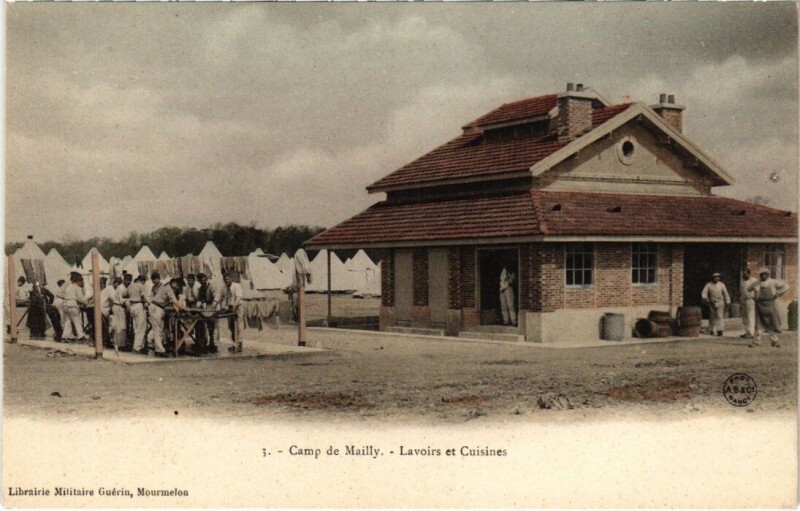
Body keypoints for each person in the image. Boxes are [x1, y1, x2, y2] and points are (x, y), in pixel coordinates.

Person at [748, 268, 789, 348]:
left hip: (770, 305)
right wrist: (753, 297)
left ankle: (774, 342)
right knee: (758, 325)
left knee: (772, 324)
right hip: (759, 306)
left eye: (764, 274)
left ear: (767, 275)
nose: (762, 276)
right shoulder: (756, 283)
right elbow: (747, 289)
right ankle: (756, 342)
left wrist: (777, 293)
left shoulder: (773, 282)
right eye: (761, 274)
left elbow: (786, 287)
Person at [147, 272, 185, 357]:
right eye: (177, 284)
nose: (177, 287)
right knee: (157, 330)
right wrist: (183, 308)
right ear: (173, 282)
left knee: (158, 329)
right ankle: (159, 350)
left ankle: (158, 348)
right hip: (156, 307)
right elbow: (174, 300)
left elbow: (173, 302)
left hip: (157, 307)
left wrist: (178, 309)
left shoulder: (168, 288)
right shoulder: (168, 288)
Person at [213, 272, 243, 353]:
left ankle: (239, 345)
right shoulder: (223, 287)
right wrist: (213, 305)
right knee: (231, 327)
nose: (227, 281)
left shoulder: (236, 286)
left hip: (237, 307)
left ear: (231, 279)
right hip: (229, 308)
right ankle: (234, 344)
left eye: (228, 279)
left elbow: (239, 298)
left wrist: (234, 307)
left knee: (238, 327)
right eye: (225, 280)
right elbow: (218, 297)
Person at [62, 273, 89, 344]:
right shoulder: (77, 288)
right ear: (78, 281)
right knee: (77, 321)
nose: (81, 283)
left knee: (68, 321)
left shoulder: (68, 287)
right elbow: (80, 299)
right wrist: (86, 302)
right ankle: (81, 337)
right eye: (81, 282)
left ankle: (65, 337)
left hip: (66, 305)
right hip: (73, 306)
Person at [701, 272, 730, 337]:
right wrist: (707, 300)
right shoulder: (709, 285)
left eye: (718, 277)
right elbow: (704, 293)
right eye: (715, 277)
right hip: (712, 302)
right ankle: (712, 330)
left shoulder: (722, 285)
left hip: (720, 302)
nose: (716, 278)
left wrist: (727, 301)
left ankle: (720, 330)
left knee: (720, 316)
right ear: (712, 278)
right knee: (712, 317)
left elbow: (725, 293)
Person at [194, 273, 216, 355]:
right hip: (204, 309)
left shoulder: (211, 287)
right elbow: (199, 299)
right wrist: (199, 306)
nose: (203, 282)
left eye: (204, 280)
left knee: (212, 327)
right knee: (202, 326)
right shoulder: (200, 289)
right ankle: (203, 344)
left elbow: (215, 297)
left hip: (211, 308)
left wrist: (212, 306)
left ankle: (212, 344)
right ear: (199, 281)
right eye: (201, 281)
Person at [126, 274, 148, 354]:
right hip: (138, 305)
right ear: (143, 281)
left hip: (132, 306)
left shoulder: (130, 286)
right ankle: (137, 348)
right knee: (141, 328)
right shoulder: (141, 286)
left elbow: (124, 295)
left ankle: (139, 346)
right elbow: (143, 297)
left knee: (135, 327)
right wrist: (148, 303)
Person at [739, 268, 759, 340]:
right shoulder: (742, 281)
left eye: (745, 274)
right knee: (744, 317)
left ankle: (751, 333)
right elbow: (741, 291)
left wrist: (756, 299)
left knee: (750, 316)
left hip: (751, 300)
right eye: (743, 274)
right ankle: (747, 332)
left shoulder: (754, 281)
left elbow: (757, 291)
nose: (743, 275)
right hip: (744, 300)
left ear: (749, 274)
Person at [114, 275, 131, 350]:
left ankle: (120, 343)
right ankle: (121, 345)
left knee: (120, 326)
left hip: (120, 307)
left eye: (129, 280)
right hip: (119, 307)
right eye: (127, 280)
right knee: (121, 326)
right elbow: (122, 301)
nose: (128, 282)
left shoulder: (126, 287)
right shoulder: (121, 288)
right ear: (124, 280)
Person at [99, 277, 116, 348]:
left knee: (105, 327)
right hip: (103, 309)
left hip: (104, 309)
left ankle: (106, 342)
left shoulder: (106, 290)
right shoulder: (109, 289)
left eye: (103, 283)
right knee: (107, 327)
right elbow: (114, 299)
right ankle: (107, 342)